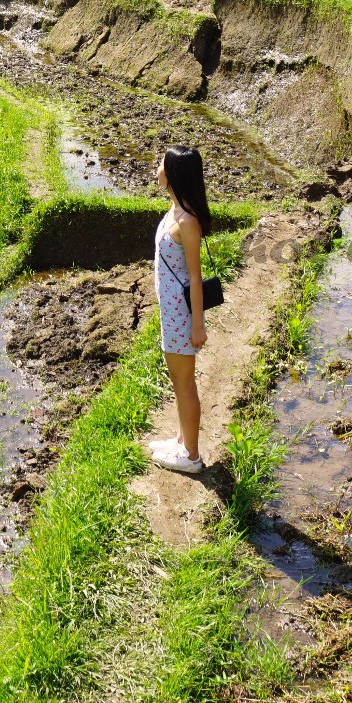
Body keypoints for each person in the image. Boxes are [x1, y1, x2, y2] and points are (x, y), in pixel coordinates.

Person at [149, 146, 211, 474]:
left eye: (161, 164)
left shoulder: (187, 221)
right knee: (178, 380)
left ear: (173, 173)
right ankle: (181, 439)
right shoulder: (175, 209)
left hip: (181, 317)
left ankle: (191, 456)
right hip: (171, 312)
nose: (156, 168)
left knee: (184, 382)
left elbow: (196, 277)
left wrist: (197, 325)